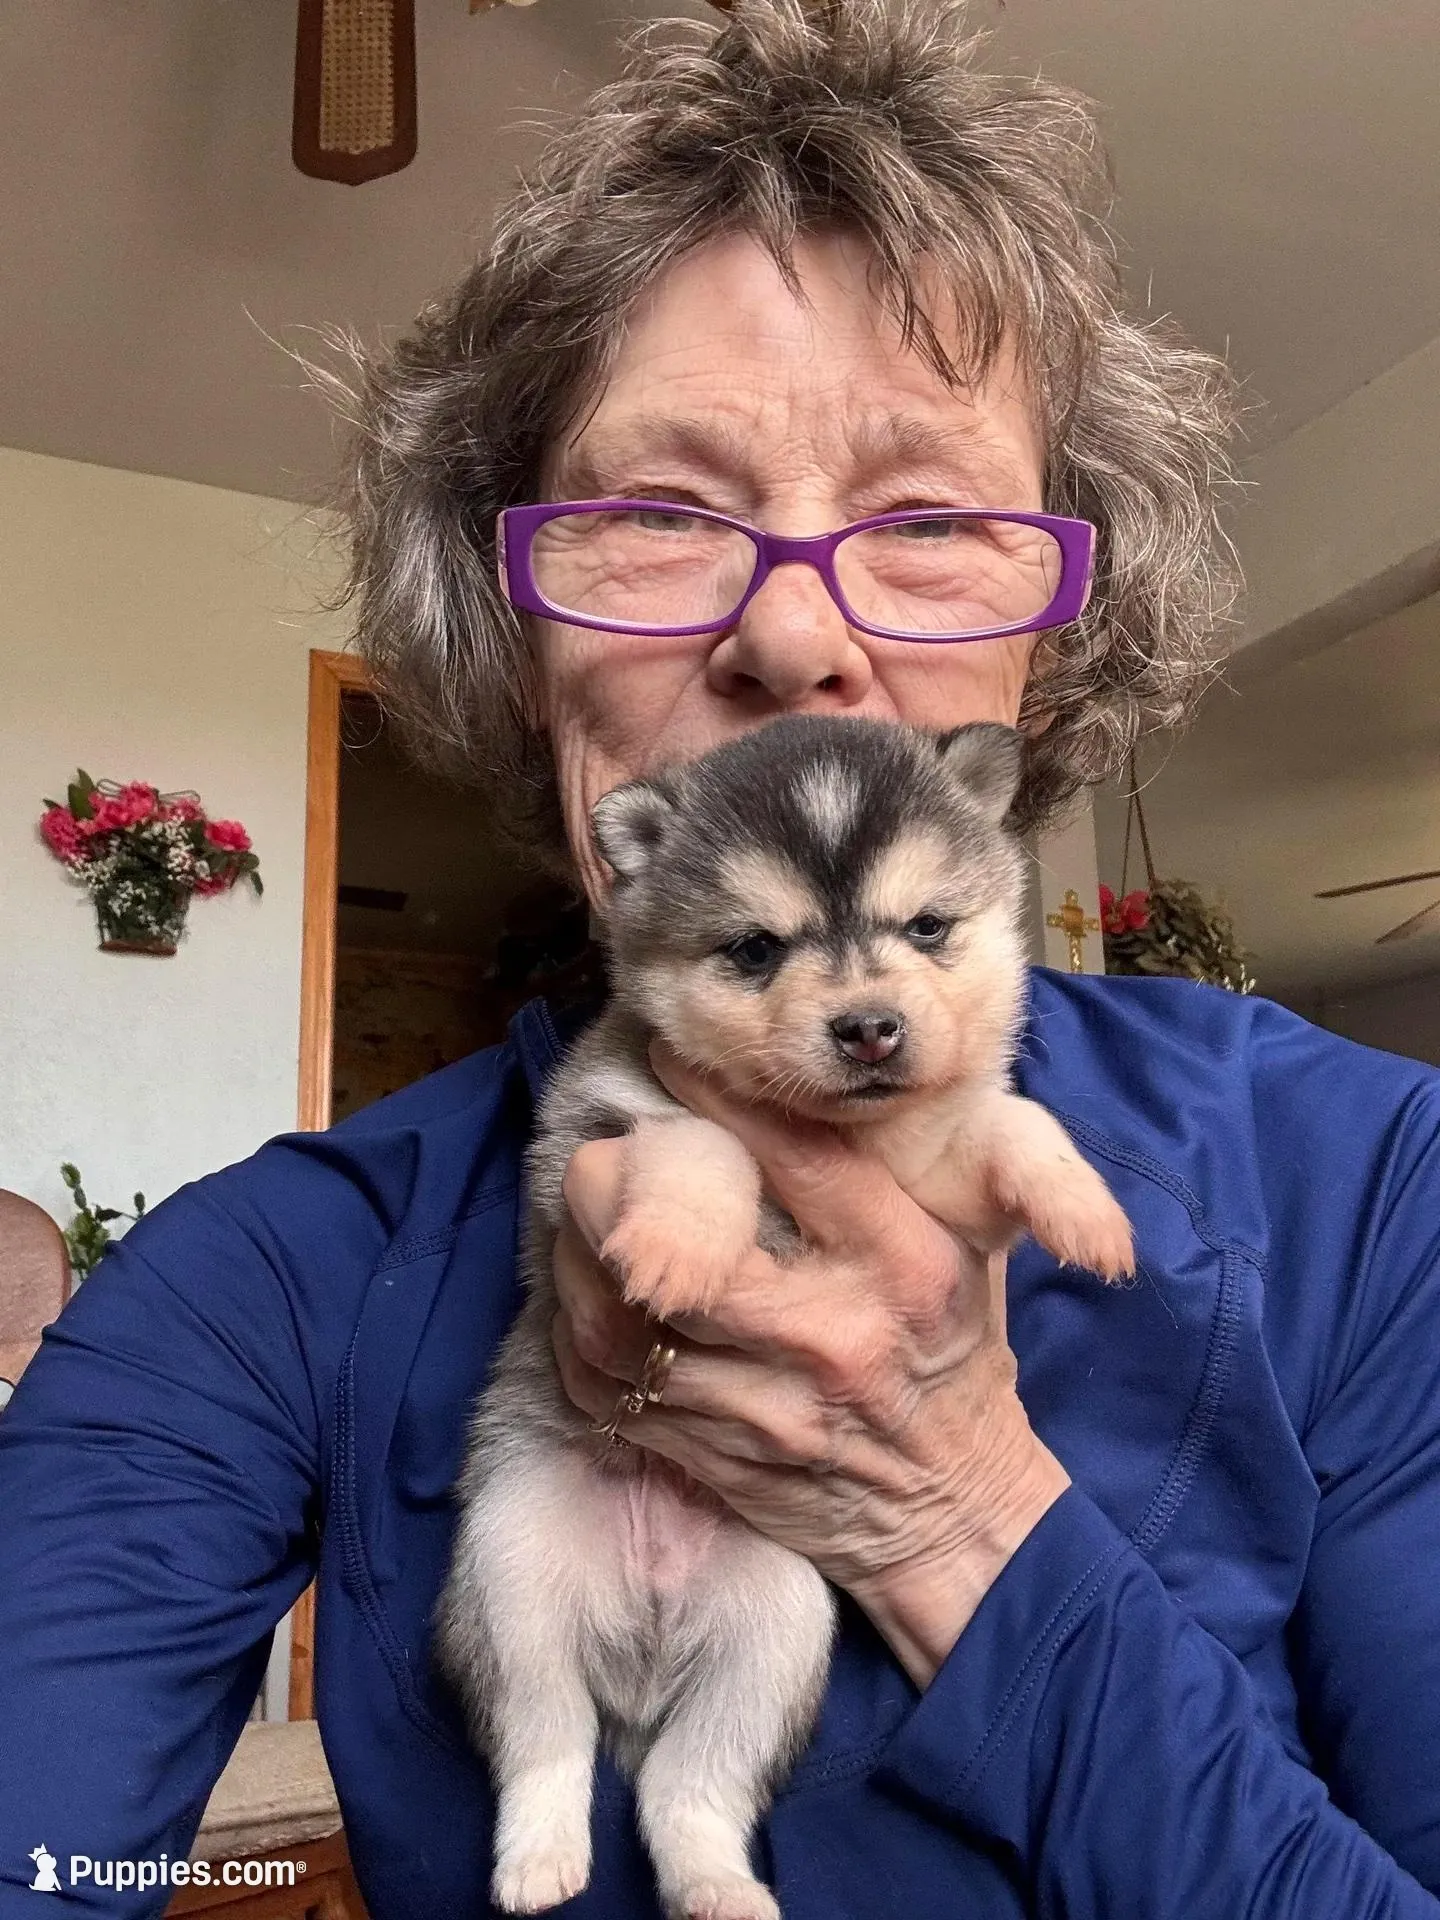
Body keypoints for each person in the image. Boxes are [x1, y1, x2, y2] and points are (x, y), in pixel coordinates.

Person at [3, 3, 1439, 1915]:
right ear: (518, 642)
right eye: (656, 517)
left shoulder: (1375, 1185)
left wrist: (953, 1516)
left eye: (930, 519)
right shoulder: (260, 1282)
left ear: (1049, 645)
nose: (792, 637)